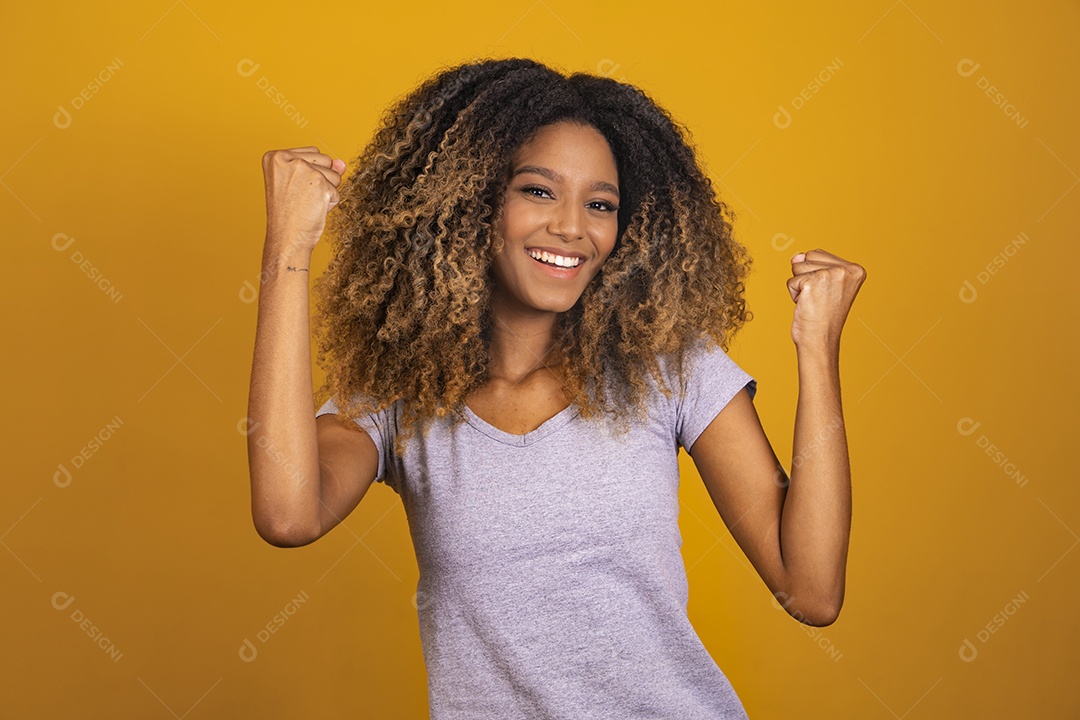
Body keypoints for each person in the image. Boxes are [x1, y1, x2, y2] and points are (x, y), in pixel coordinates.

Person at [247, 57, 865, 719]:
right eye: (538, 191)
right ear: (472, 198)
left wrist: (817, 350)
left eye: (600, 204)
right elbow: (288, 514)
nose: (573, 226)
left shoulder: (666, 367)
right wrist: (288, 247)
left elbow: (812, 590)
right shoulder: (404, 395)